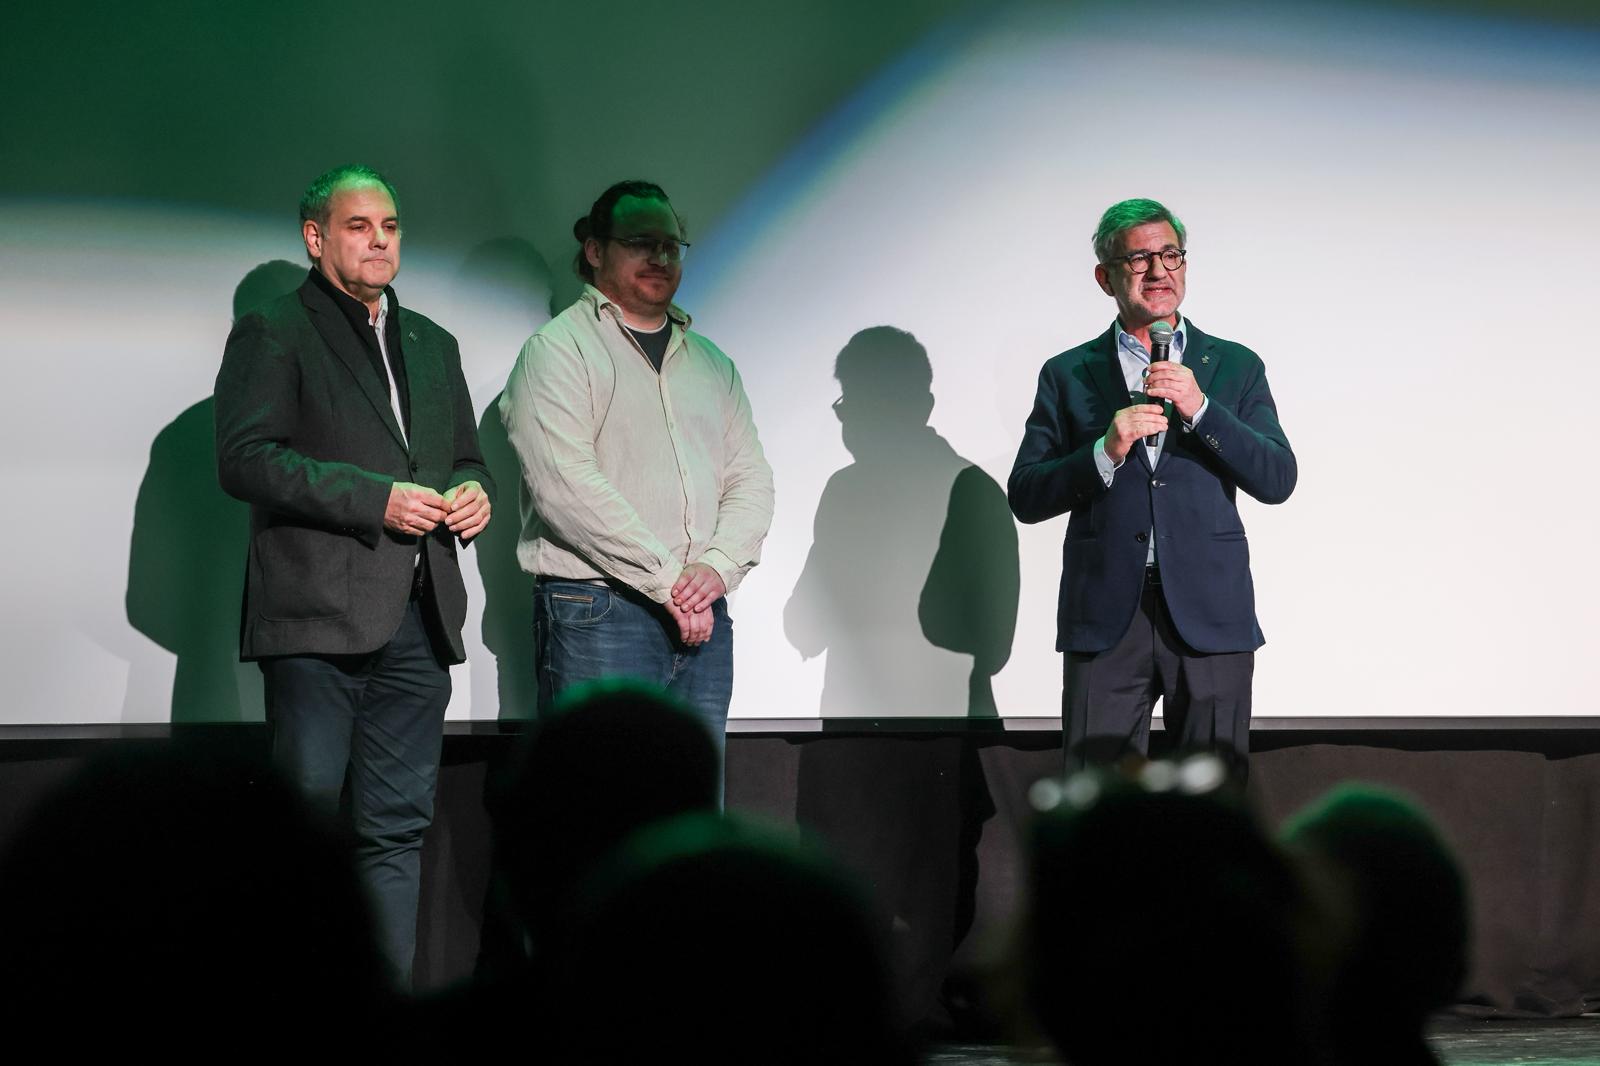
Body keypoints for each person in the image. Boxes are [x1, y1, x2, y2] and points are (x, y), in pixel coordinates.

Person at [214, 163, 493, 987]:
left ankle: (383, 1017)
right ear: (316, 237)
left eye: (390, 227)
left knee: (396, 831)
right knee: (301, 836)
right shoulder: (274, 331)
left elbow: (465, 456)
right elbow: (246, 460)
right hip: (316, 622)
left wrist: (473, 490)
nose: (379, 241)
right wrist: (376, 500)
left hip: (420, 619)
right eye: (359, 226)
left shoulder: (433, 343)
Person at [1008, 198, 1295, 778]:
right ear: (1105, 277)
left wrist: (1201, 408)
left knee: (1214, 803)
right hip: (1107, 612)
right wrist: (1103, 451)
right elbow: (1027, 495)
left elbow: (1276, 478)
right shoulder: (1067, 373)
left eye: (1170, 255)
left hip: (1210, 611)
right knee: (1097, 802)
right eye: (1139, 259)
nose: (1158, 270)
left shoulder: (1234, 366)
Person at [499, 179, 774, 771]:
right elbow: (566, 487)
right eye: (641, 243)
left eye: (671, 245)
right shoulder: (557, 351)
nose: (660, 257)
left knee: (691, 806)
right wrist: (673, 582)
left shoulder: (712, 364)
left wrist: (717, 567)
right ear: (595, 250)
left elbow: (751, 479)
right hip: (600, 612)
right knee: (600, 807)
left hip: (702, 615)